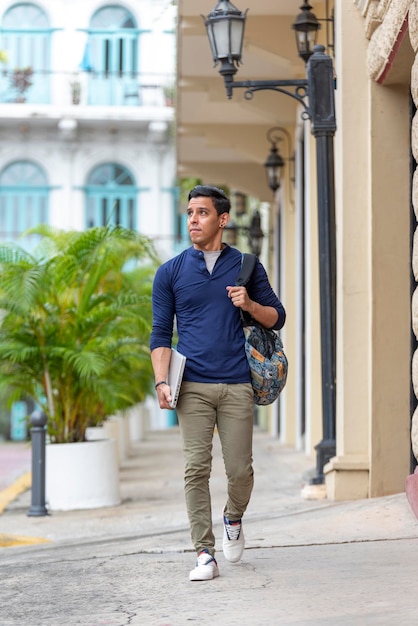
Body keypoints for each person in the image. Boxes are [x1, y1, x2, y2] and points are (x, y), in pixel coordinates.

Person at [150, 185, 286, 581]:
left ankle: (233, 517)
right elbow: (160, 333)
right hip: (190, 384)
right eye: (190, 212)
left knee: (240, 470)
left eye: (202, 213)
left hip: (237, 383)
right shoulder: (171, 272)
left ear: (222, 219)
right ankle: (204, 552)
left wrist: (249, 304)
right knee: (195, 467)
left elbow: (276, 317)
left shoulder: (246, 265)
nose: (193, 219)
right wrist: (161, 380)